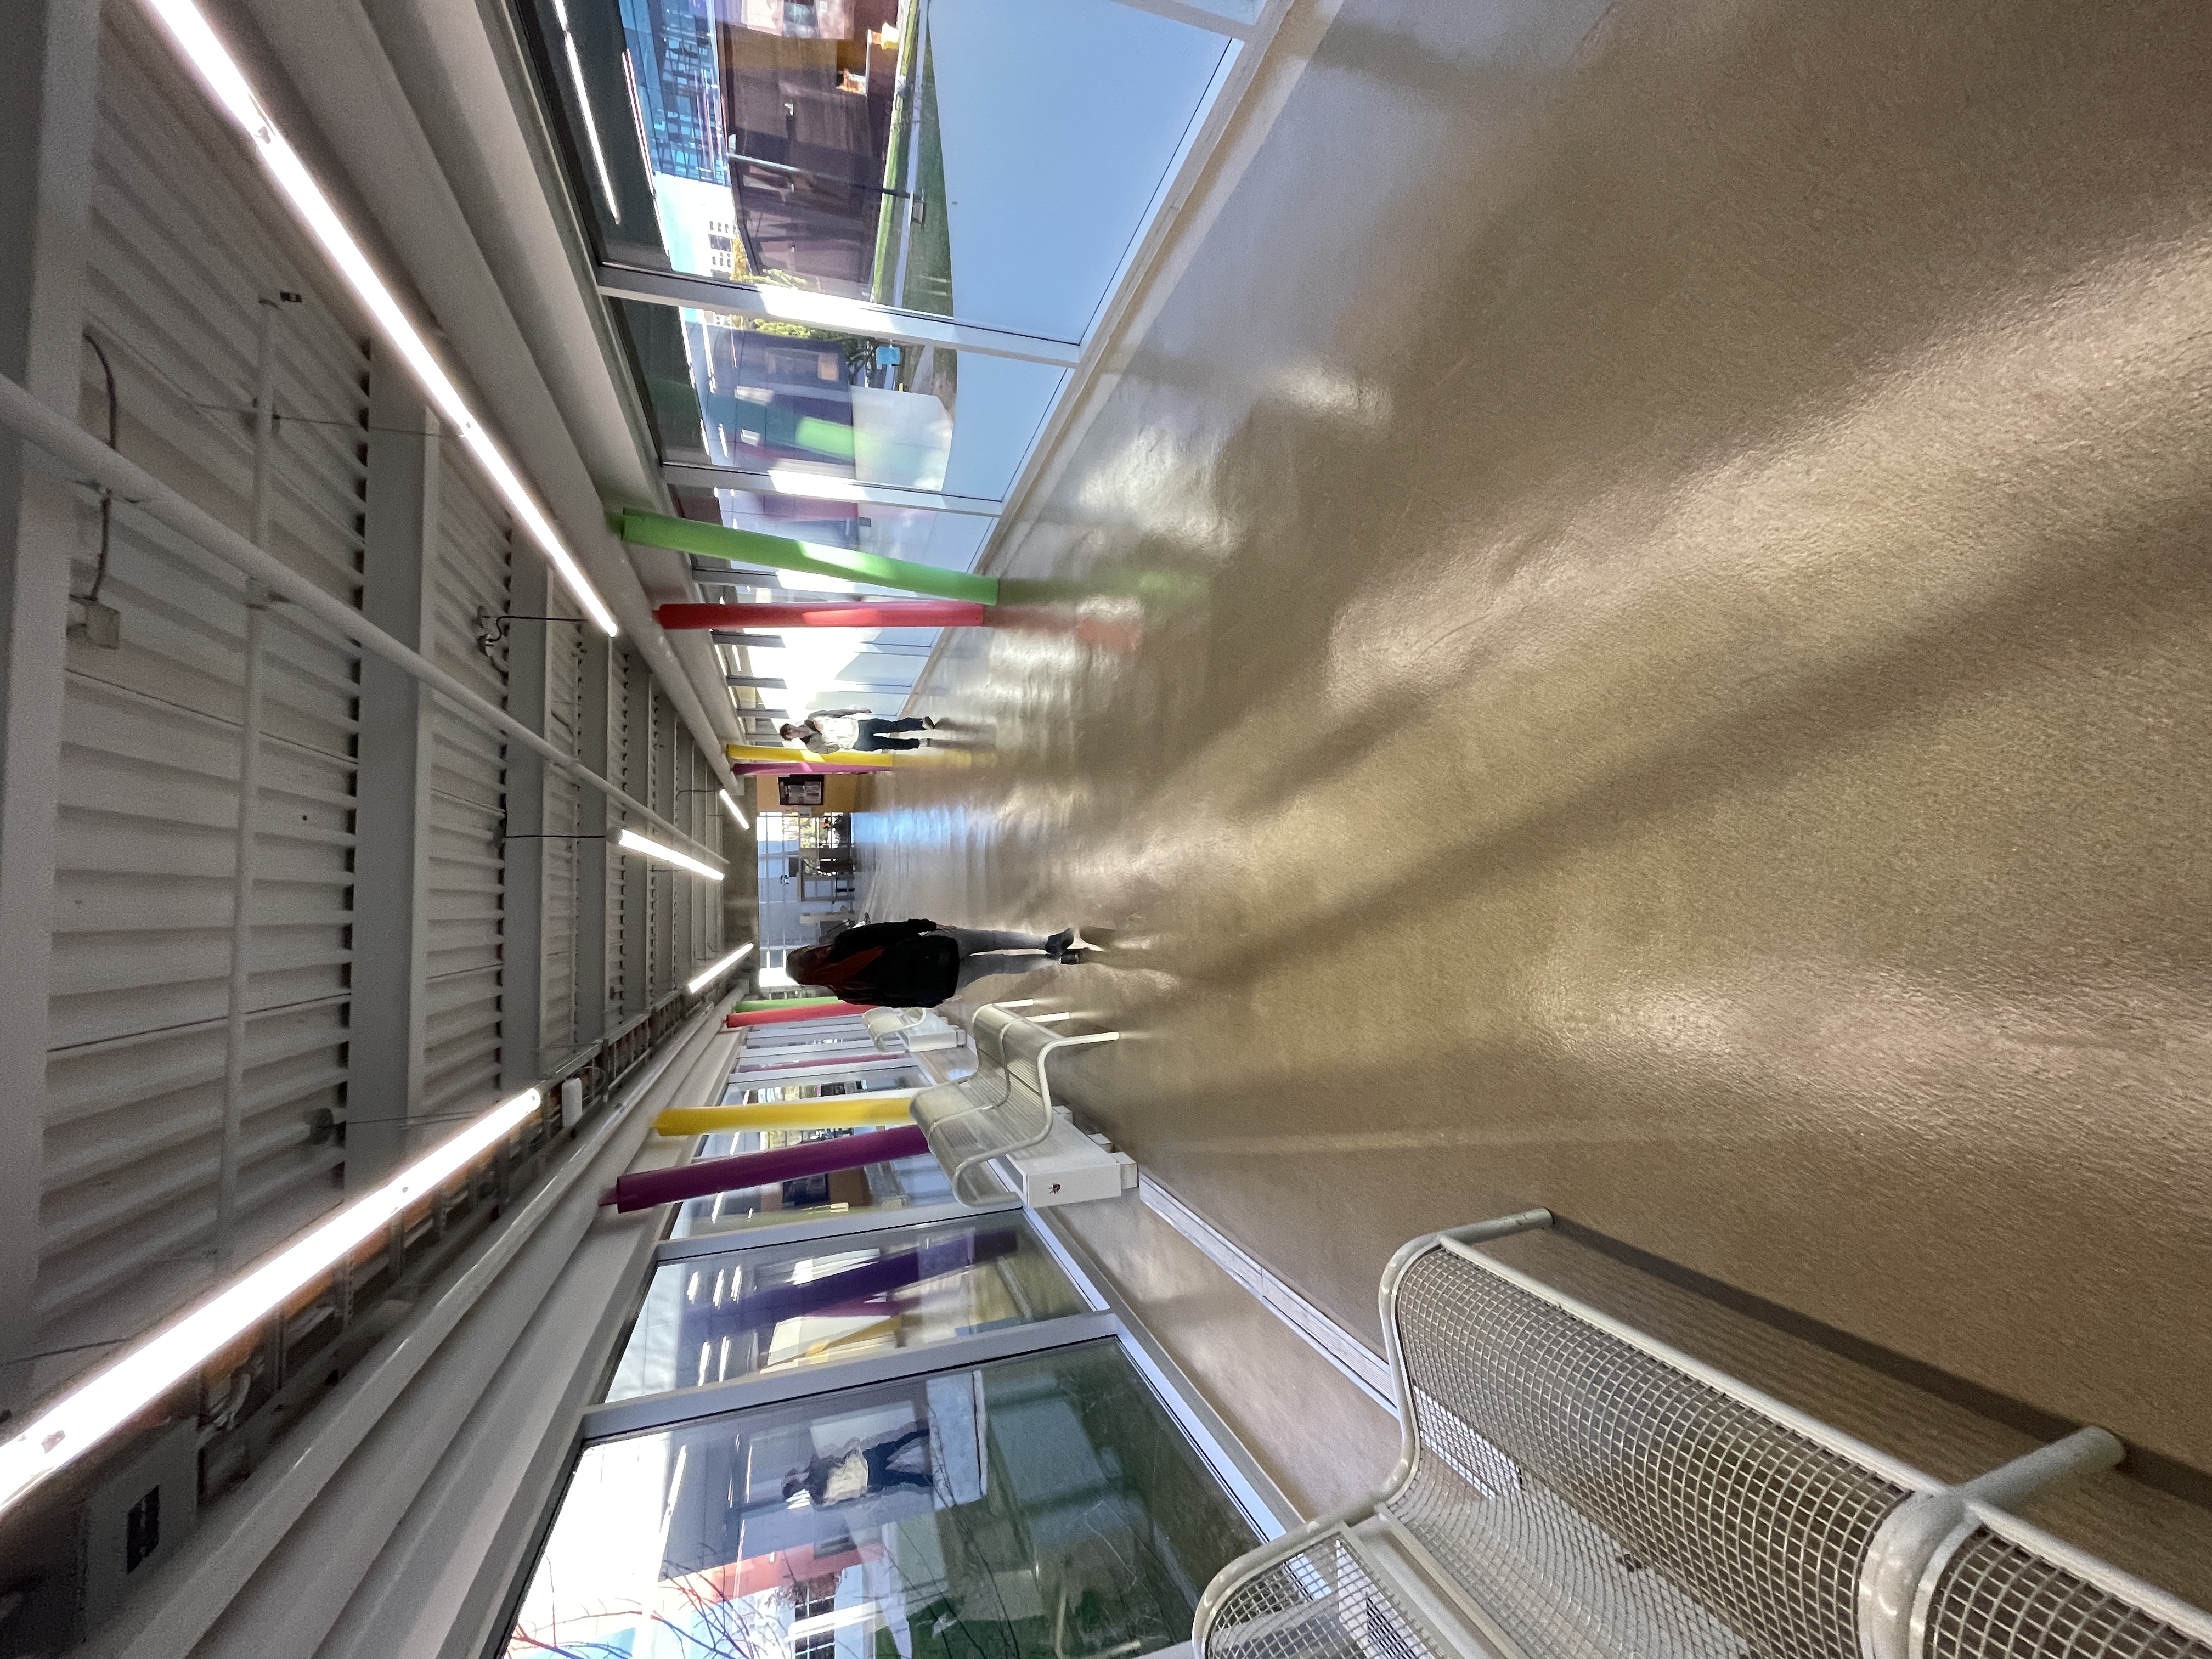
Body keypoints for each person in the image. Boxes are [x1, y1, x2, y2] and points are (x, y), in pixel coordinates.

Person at [788, 919, 1088, 1007]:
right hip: (937, 949)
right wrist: (929, 925)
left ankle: (1060, 960)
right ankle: (1047, 943)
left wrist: (932, 1000)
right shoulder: (844, 945)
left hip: (942, 985)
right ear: (811, 955)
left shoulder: (848, 992)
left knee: (1000, 966)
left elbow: (894, 1002)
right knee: (993, 939)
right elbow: (888, 930)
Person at [783, 1425, 933, 1506]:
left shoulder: (819, 1498)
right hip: (865, 1463)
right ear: (795, 1483)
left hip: (867, 1479)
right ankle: (926, 1433)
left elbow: (846, 1499)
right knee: (899, 1446)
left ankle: (934, 1479)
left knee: (905, 1475)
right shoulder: (815, 1470)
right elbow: (834, 1457)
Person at [779, 708, 938, 754]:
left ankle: (921, 724)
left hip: (859, 726)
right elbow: (832, 749)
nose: (792, 731)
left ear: (792, 725)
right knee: (891, 744)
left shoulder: (812, 717)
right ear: (791, 739)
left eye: (790, 728)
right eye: (789, 734)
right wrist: (825, 734)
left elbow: (834, 712)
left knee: (892, 726)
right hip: (857, 743)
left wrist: (855, 710)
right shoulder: (812, 746)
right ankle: (919, 743)